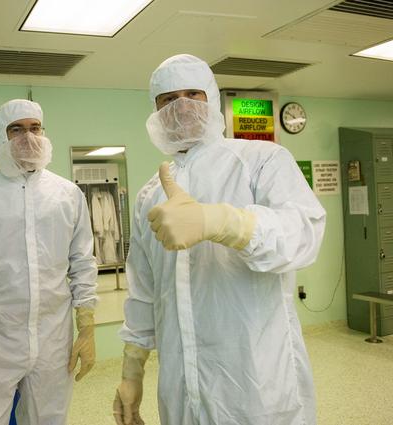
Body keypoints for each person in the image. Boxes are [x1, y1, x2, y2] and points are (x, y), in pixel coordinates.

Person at [113, 54, 326, 425]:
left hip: (257, 387)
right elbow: (144, 293)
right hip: (181, 391)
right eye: (168, 99)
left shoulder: (262, 160)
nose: (181, 107)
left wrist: (225, 221)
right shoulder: (150, 194)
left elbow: (304, 232)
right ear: (156, 111)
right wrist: (132, 373)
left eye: (192, 94)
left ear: (212, 98)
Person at [0, 99, 98, 425]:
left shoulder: (68, 195)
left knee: (48, 420)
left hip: (53, 339)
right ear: (1, 136)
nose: (28, 136)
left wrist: (87, 327)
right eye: (17, 129)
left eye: (35, 128)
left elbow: (82, 263)